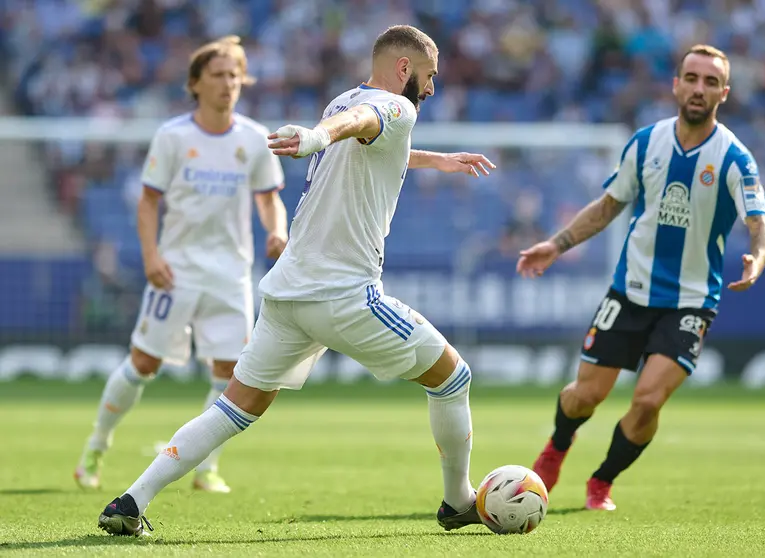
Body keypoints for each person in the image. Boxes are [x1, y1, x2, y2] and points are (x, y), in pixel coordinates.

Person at [97, 25, 496, 537]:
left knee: (235, 406)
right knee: (453, 377)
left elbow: (363, 135)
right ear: (404, 70)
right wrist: (315, 137)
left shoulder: (343, 100)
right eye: (429, 75)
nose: (432, 88)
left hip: (286, 292)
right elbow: (361, 124)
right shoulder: (396, 108)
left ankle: (132, 499)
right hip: (344, 293)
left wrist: (433, 159)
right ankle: (458, 500)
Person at [518, 44, 765, 511]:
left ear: (724, 93)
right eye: (692, 78)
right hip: (630, 291)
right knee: (583, 398)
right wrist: (556, 245)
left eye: (711, 81)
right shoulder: (645, 143)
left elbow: (762, 225)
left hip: (691, 301)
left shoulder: (735, 158)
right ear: (676, 85)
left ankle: (602, 480)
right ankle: (556, 447)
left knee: (648, 401)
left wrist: (757, 259)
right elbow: (609, 205)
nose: (700, 88)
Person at [75, 36, 289, 495]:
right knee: (143, 363)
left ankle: (206, 468)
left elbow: (270, 200)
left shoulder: (254, 138)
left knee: (230, 373)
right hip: (177, 269)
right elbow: (148, 202)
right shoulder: (174, 136)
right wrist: (152, 255)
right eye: (218, 74)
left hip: (232, 273)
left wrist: (278, 231)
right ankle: (97, 444)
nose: (228, 83)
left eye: (235, 75)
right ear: (195, 83)